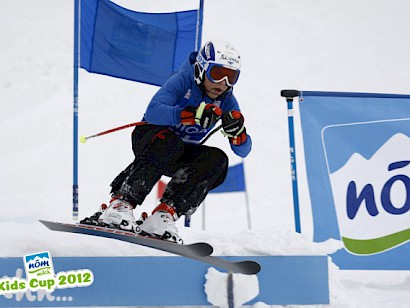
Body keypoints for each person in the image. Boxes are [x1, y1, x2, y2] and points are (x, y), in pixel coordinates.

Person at [80, 40, 252, 243]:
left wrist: (238, 134)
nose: (223, 83)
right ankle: (121, 204)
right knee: (170, 144)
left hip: (181, 153)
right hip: (151, 139)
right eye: (216, 74)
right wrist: (188, 115)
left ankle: (164, 214)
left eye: (231, 77)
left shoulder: (226, 99)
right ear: (201, 68)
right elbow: (153, 111)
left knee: (217, 159)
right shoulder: (183, 80)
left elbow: (243, 151)